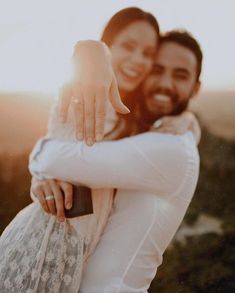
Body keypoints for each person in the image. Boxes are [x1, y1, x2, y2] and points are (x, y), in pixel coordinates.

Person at [30, 29, 202, 293]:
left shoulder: (171, 147)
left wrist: (40, 165)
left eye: (180, 75)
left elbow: (55, 159)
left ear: (196, 88)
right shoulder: (150, 134)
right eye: (157, 69)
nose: (165, 83)